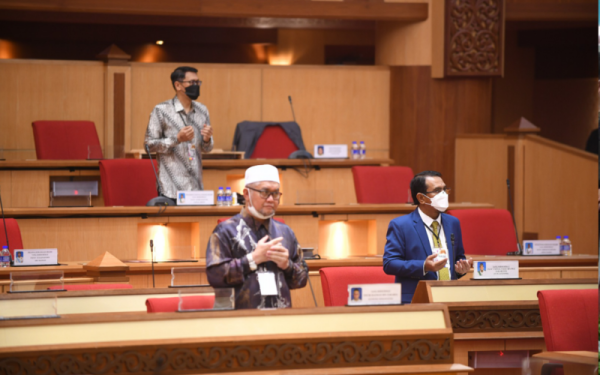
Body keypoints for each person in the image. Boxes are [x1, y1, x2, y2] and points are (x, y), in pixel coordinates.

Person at [206, 164, 307, 309]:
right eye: (265, 192)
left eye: (276, 193)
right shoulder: (225, 231)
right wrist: (252, 260)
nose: (271, 199)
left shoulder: (286, 232)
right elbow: (214, 276)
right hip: (238, 321)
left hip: (281, 320)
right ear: (246, 194)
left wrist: (287, 266)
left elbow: (302, 280)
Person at [383, 170, 472, 304]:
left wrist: (461, 269)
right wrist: (424, 266)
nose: (443, 194)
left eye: (444, 189)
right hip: (416, 299)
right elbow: (390, 264)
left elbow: (458, 257)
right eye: (437, 190)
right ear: (421, 198)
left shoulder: (453, 222)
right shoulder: (401, 225)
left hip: (450, 296)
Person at [144, 66, 214, 200]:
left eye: (198, 82)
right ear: (178, 85)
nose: (196, 86)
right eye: (192, 83)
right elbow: (149, 145)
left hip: (196, 188)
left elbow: (207, 148)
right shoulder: (161, 111)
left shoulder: (202, 110)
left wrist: (207, 139)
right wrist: (177, 139)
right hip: (170, 189)